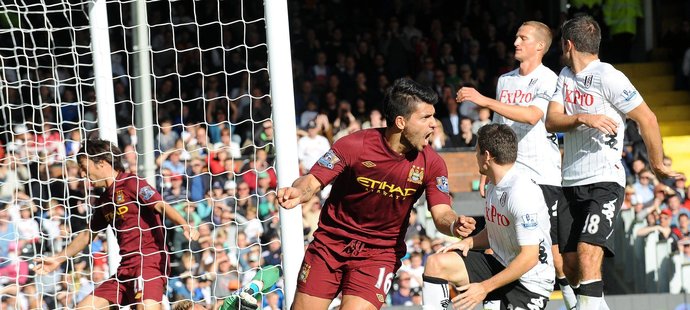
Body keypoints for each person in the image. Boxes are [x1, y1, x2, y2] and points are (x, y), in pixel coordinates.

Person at [277, 78, 477, 310]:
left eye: (433, 116)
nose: (433, 124)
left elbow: (442, 212)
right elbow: (312, 181)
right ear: (401, 122)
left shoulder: (432, 163)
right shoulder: (354, 145)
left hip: (380, 254)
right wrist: (298, 191)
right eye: (425, 118)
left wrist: (454, 224)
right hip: (330, 244)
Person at [545, 15, 679, 310]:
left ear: (568, 44)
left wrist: (656, 165)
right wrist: (583, 117)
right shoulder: (565, 77)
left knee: (588, 250)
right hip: (570, 182)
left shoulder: (609, 76)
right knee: (570, 266)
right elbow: (551, 120)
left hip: (605, 180)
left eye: (560, 45)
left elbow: (648, 118)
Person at [456, 20, 576, 308]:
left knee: (554, 254)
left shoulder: (549, 78)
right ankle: (501, 299)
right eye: (516, 37)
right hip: (508, 174)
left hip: (541, 174)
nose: (516, 43)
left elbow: (532, 115)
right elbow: (499, 126)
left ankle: (578, 304)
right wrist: (485, 169)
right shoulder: (505, 80)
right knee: (503, 242)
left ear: (540, 46)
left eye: (523, 38)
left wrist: (483, 99)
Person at [33, 139, 200, 309]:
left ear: (101, 163)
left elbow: (160, 204)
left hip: (148, 263)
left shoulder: (131, 182)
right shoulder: (104, 200)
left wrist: (184, 224)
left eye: (84, 167)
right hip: (125, 269)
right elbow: (87, 235)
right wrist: (57, 259)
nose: (82, 174)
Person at [421, 124, 554, 310]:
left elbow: (529, 258)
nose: (475, 157)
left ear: (487, 155)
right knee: (437, 263)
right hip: (499, 264)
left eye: (476, 152)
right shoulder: (493, 185)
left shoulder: (522, 193)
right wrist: (470, 242)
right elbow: (496, 230)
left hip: (528, 283)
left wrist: (483, 288)